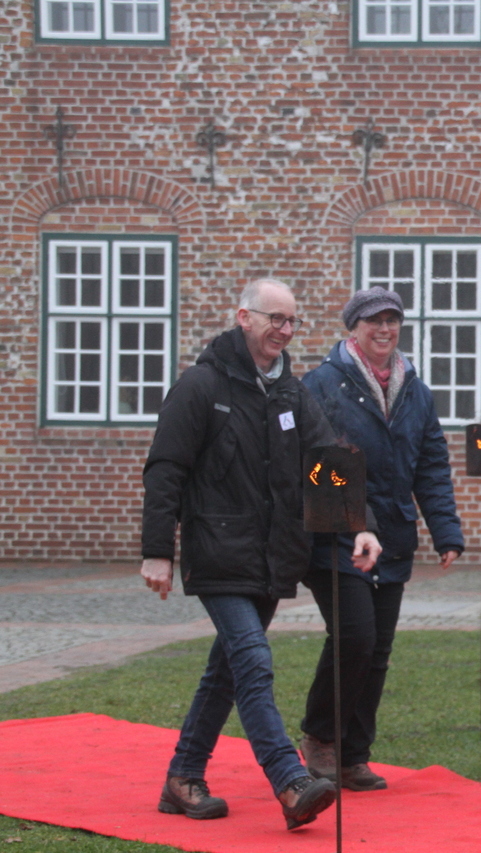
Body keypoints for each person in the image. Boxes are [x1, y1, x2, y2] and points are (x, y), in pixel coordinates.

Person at [140, 278, 382, 830]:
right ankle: (290, 780)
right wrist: (158, 551)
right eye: (276, 318)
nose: (285, 330)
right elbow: (166, 468)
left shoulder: (290, 392)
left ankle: (182, 776)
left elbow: (327, 460)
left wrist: (360, 527)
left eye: (292, 320)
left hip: (273, 558)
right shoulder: (201, 386)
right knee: (251, 660)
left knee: (226, 672)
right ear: (243, 317)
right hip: (218, 552)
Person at [297, 286, 464, 791]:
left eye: (392, 321)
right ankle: (320, 736)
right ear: (354, 328)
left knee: (378, 649)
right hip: (335, 535)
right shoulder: (322, 385)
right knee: (355, 637)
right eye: (374, 321)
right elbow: (318, 466)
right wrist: (356, 523)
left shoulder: (415, 390)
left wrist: (446, 530)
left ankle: (354, 754)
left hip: (392, 534)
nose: (385, 330)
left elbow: (431, 464)